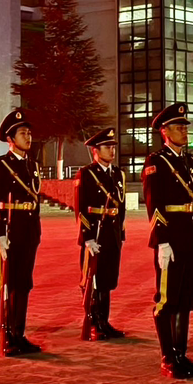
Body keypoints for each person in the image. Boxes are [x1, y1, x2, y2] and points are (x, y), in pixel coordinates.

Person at [143, 102, 193, 379]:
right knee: (167, 300)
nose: (184, 130)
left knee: (185, 300)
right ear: (165, 132)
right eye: (178, 127)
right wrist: (162, 241)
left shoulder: (190, 162)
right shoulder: (156, 162)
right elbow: (154, 204)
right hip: (171, 238)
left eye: (185, 126)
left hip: (189, 237)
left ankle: (181, 355)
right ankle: (168, 358)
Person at [0, 109, 43, 356]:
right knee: (6, 284)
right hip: (8, 232)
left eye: (29, 133)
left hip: (28, 231)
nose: (28, 137)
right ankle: (7, 335)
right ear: (10, 139)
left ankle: (19, 334)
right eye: (22, 133)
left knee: (23, 284)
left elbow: (35, 201)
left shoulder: (33, 165)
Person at [74, 127, 127, 341]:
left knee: (107, 280)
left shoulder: (118, 174)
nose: (112, 151)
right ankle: (93, 322)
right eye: (107, 147)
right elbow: (80, 208)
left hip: (111, 233)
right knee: (92, 281)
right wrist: (87, 237)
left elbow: (121, 207)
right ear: (95, 150)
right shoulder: (86, 174)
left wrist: (120, 233)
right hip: (95, 232)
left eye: (113, 147)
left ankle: (104, 321)